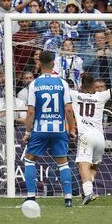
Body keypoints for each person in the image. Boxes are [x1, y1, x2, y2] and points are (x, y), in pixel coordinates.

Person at [72, 63, 112, 205]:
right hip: (100, 138)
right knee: (94, 166)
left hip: (85, 136)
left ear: (81, 86)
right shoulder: (100, 96)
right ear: (94, 87)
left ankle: (88, 192)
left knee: (83, 165)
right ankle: (87, 187)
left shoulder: (74, 95)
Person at [23, 51, 76, 207]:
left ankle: (31, 197)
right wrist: (71, 129)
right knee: (63, 163)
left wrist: (27, 132)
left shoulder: (35, 84)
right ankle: (68, 198)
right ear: (53, 63)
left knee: (29, 160)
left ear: (39, 64)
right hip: (59, 129)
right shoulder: (62, 83)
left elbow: (31, 111)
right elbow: (68, 109)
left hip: (40, 130)